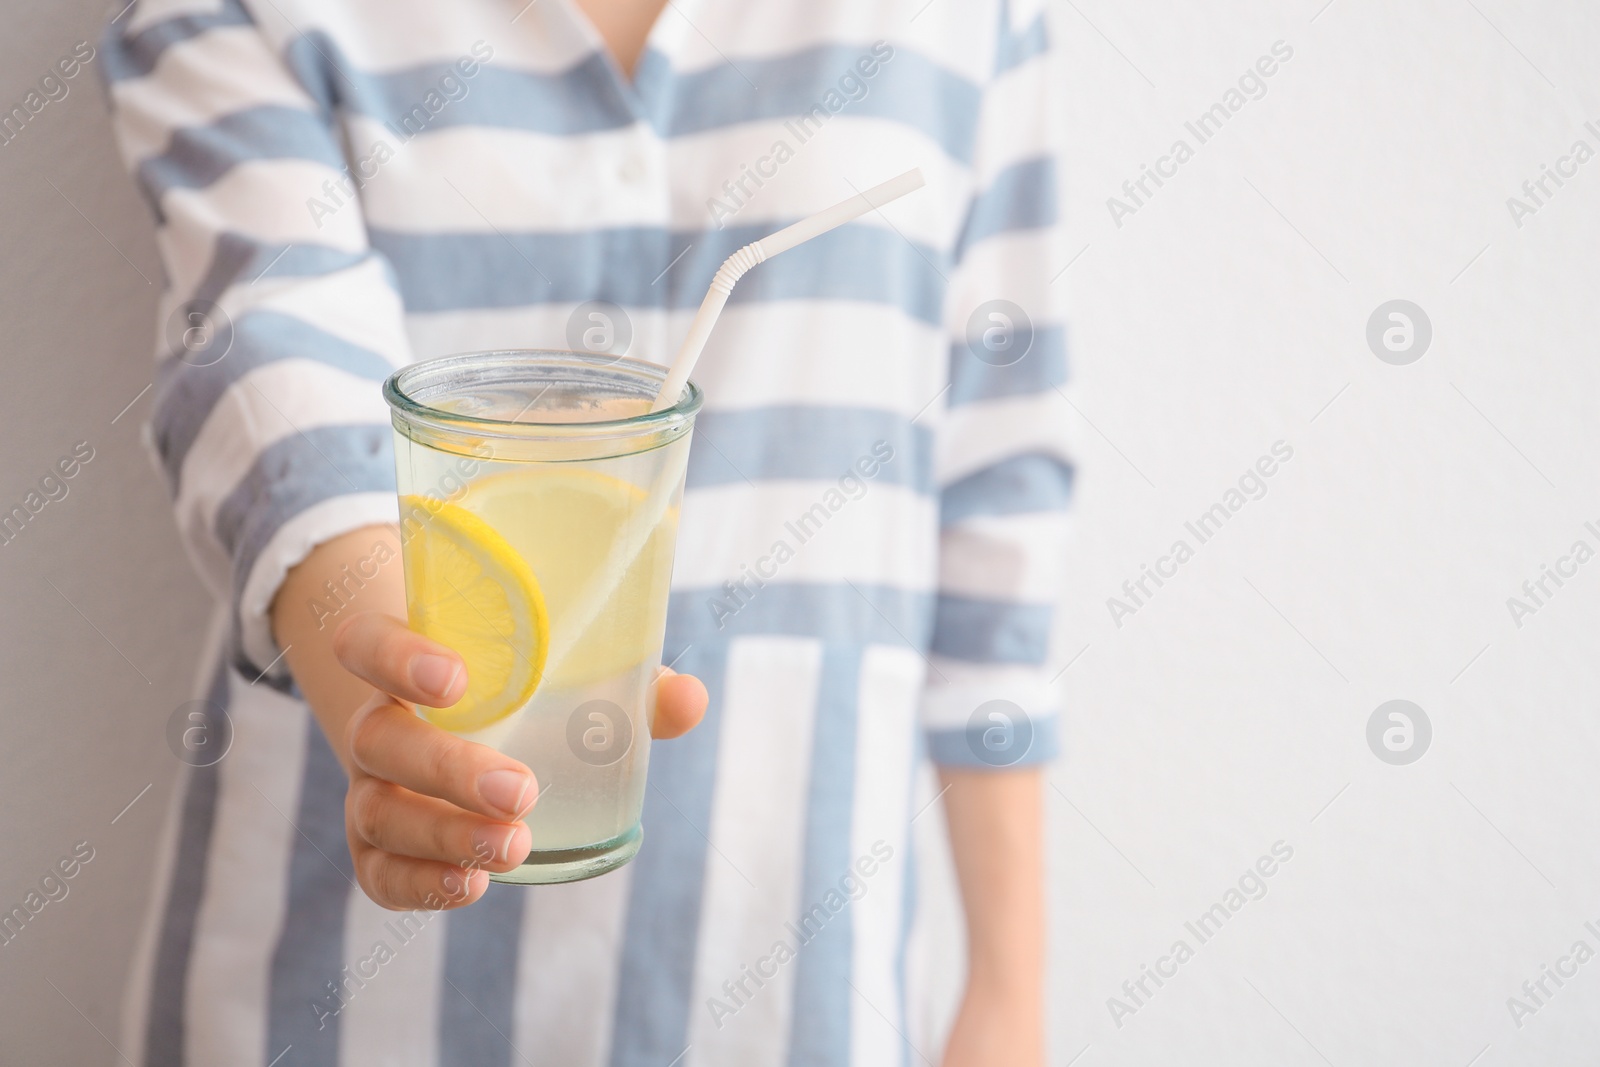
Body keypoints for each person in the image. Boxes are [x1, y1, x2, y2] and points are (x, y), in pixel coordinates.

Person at [101, 0, 1070, 1062]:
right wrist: (401, 697)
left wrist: (1008, 990)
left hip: (793, 987)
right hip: (334, 989)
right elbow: (266, 348)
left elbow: (994, 487)